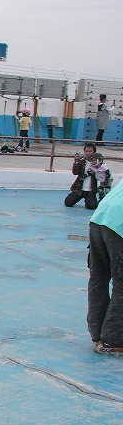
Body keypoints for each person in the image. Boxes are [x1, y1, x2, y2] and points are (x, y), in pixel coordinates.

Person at [87, 176, 123, 353]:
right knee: (121, 283)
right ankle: (113, 340)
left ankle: (96, 335)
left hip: (99, 218)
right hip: (118, 225)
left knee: (98, 278)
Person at [64, 143, 98, 210]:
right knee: (68, 203)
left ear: (94, 152)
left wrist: (95, 172)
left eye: (89, 151)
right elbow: (75, 172)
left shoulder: (97, 163)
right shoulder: (81, 161)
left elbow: (101, 176)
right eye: (86, 151)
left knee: (92, 206)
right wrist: (76, 162)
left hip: (90, 190)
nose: (87, 153)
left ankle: (88, 201)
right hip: (79, 188)